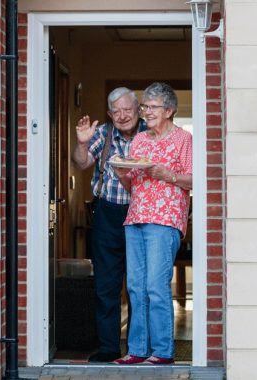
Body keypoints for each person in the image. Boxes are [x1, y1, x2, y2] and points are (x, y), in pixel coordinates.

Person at [111, 82, 192, 365]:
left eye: (152, 107)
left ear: (169, 110)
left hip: (165, 218)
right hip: (136, 217)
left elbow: (194, 179)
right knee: (135, 286)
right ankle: (137, 350)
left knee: (156, 287)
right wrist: (122, 172)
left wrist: (166, 174)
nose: (146, 112)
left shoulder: (184, 139)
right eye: (144, 106)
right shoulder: (140, 140)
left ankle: (162, 351)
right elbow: (133, 184)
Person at [71, 87, 146, 362]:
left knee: (141, 286)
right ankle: (108, 347)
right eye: (117, 111)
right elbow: (81, 164)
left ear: (138, 110)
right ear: (109, 113)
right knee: (106, 286)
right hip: (108, 214)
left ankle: (140, 349)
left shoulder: (150, 133)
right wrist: (81, 143)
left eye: (128, 110)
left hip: (143, 214)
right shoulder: (102, 133)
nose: (123, 116)